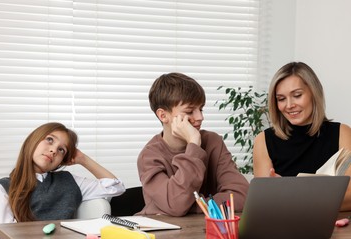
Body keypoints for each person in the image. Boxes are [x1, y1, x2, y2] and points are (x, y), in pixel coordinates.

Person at [137, 72, 249, 217]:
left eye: (200, 109)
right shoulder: (148, 157)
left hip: (205, 232)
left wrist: (189, 207)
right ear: (163, 115)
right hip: (167, 237)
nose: (200, 117)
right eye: (190, 111)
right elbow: (177, 204)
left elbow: (242, 197)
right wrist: (194, 144)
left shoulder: (213, 142)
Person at [253, 61, 351, 210]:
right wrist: (323, 197)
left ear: (313, 93)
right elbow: (265, 203)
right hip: (285, 228)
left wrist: (290, 193)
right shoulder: (264, 141)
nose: (289, 105)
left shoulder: (342, 133)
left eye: (297, 95)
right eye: (281, 99)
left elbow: (350, 197)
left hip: (336, 228)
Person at [0, 122, 125, 224]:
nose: (53, 150)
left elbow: (116, 187)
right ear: (33, 140)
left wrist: (83, 159)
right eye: (49, 140)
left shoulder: (70, 182)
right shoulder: (2, 188)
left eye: (61, 150)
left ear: (61, 161)